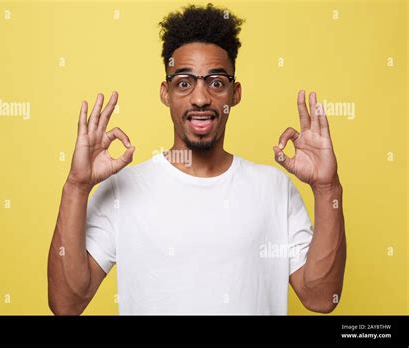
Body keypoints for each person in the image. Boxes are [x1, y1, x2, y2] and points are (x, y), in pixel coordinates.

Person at [47, 3, 346, 315]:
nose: (201, 98)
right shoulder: (124, 189)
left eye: (216, 82)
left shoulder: (274, 189)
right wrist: (76, 186)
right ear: (166, 93)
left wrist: (327, 190)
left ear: (235, 93)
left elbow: (322, 298)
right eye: (184, 83)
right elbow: (66, 304)